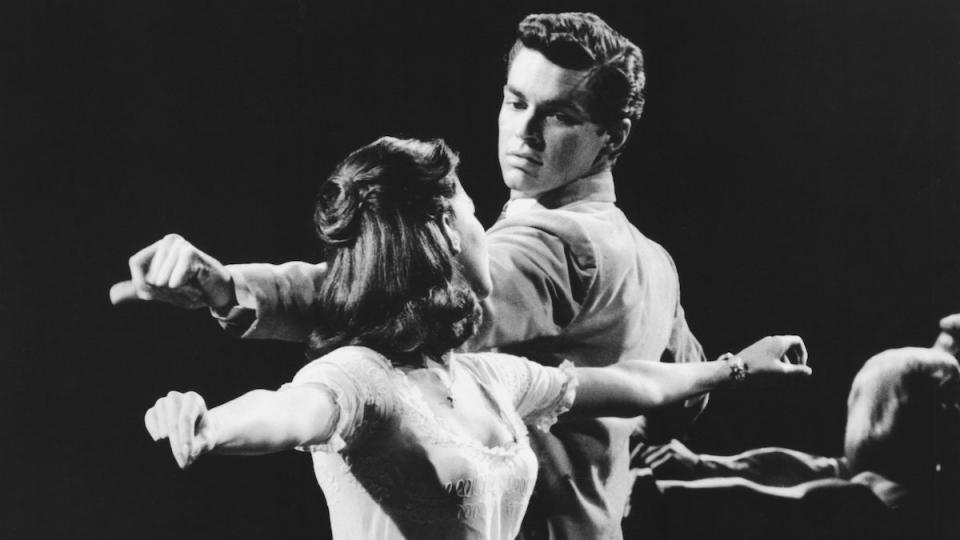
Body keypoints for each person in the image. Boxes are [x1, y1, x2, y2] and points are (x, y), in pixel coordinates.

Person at [110, 12, 771, 539]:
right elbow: (676, 400)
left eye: (561, 115)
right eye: (516, 102)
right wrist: (732, 369)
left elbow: (394, 292)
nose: (525, 132)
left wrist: (230, 288)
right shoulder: (655, 260)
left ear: (610, 137)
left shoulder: (553, 245)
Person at [138, 136, 811, 540]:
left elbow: (629, 383)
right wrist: (210, 424)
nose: (484, 220)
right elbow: (286, 411)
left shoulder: (486, 377)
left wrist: (735, 369)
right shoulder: (360, 378)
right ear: (438, 233)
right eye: (470, 208)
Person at [631, 322, 960, 539]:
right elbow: (778, 472)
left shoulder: (880, 495)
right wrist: (696, 468)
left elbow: (787, 499)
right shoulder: (874, 481)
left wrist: (652, 494)